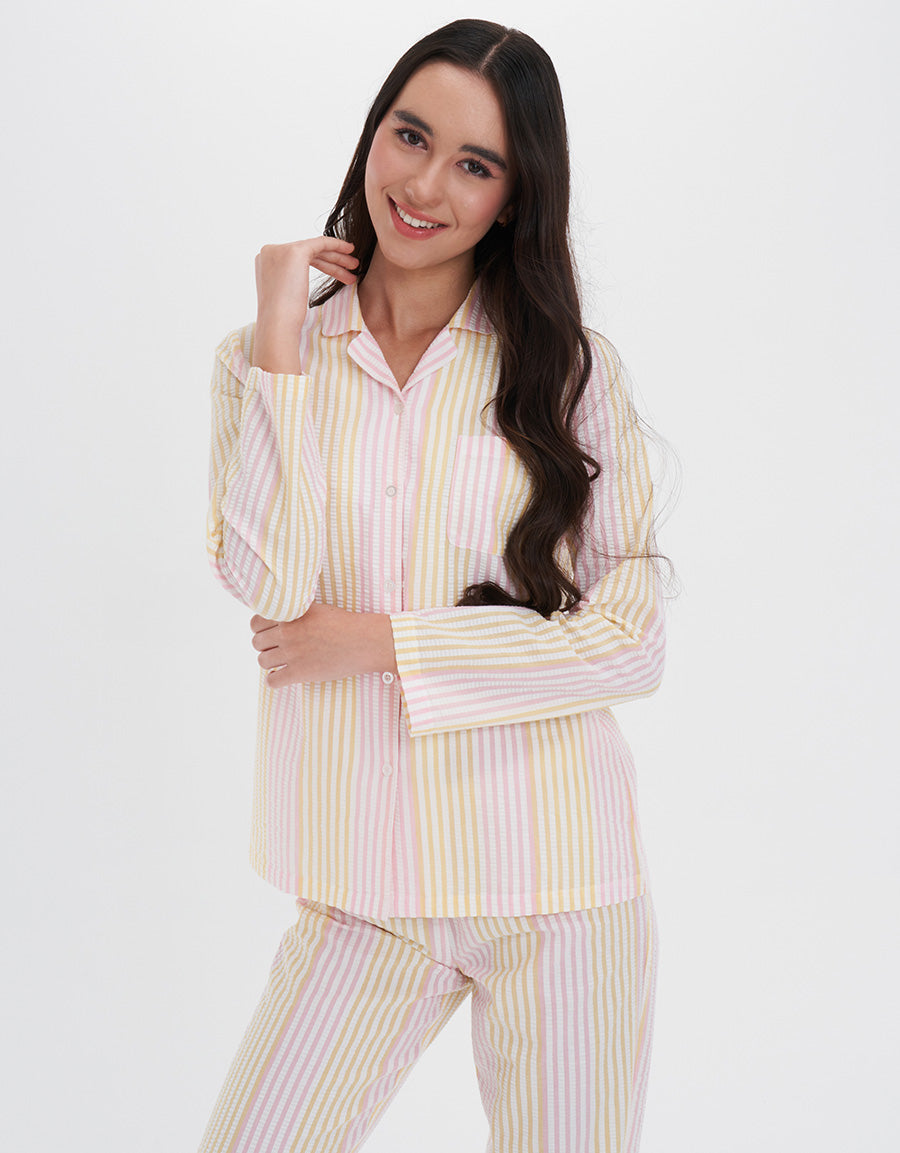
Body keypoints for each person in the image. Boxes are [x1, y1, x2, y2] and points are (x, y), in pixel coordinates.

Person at [200, 18, 666, 1153]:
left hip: (558, 884)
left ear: (513, 196)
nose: (424, 186)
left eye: (475, 164)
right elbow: (267, 581)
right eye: (410, 137)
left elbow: (630, 641)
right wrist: (279, 341)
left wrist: (378, 642)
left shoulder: (569, 372)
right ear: (374, 134)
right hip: (363, 888)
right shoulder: (262, 360)